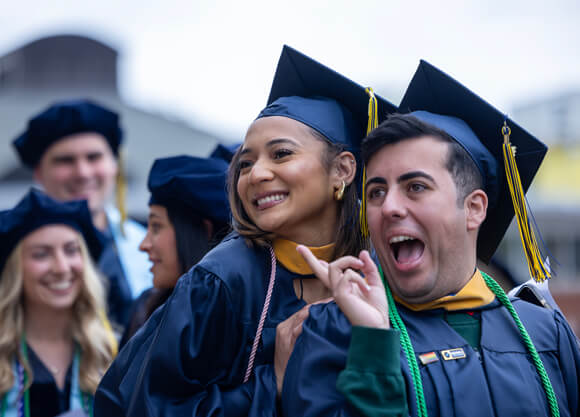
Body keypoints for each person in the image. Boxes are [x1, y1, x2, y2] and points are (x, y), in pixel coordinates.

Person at [93, 44, 396, 416]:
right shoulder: (222, 281)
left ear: (344, 170)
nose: (256, 174)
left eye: (281, 154)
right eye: (246, 162)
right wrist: (273, 385)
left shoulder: (379, 273)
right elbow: (151, 407)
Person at [282, 60, 580, 417]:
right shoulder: (334, 331)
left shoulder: (544, 331)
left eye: (416, 187)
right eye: (376, 192)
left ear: (474, 209)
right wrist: (373, 345)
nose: (388, 206)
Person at [12, 99, 152, 327]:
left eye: (93, 157)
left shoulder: (146, 246)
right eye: (65, 160)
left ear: (114, 165)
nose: (82, 172)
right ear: (38, 172)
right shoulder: (12, 249)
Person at [0, 189, 117, 417]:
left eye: (72, 251)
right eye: (41, 254)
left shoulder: (111, 352)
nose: (62, 267)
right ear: (15, 270)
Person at [119, 154, 231, 347]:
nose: (143, 244)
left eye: (156, 226)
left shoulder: (234, 323)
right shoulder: (145, 308)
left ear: (204, 230)